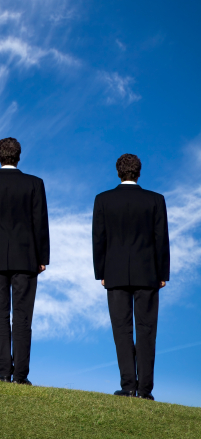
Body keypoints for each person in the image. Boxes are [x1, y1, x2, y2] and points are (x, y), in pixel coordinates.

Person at [0, 137, 49, 385]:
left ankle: (4, 371)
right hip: (26, 257)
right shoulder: (34, 184)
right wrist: (42, 257)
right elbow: (40, 223)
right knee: (23, 317)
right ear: (18, 156)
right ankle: (21, 375)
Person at [93, 153, 169, 401]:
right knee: (147, 331)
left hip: (114, 273)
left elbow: (99, 239)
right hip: (148, 273)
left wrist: (101, 272)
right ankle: (145, 390)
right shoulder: (155, 200)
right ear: (139, 172)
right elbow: (161, 239)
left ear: (118, 172)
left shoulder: (103, 200)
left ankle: (128, 386)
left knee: (121, 331)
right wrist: (162, 273)